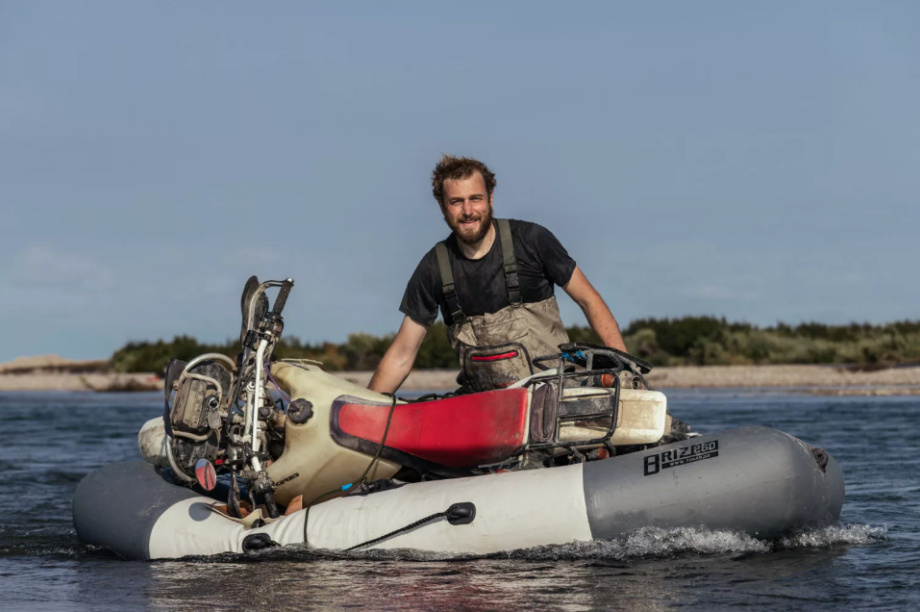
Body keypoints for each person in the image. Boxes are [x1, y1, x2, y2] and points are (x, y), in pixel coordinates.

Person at [368, 155, 627, 394]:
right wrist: (363, 409)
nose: (468, 210)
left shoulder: (533, 241)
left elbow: (589, 300)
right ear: (442, 206)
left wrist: (625, 371)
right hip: (482, 407)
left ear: (490, 198)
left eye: (475, 198)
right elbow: (402, 354)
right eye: (456, 202)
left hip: (552, 393)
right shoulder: (432, 268)